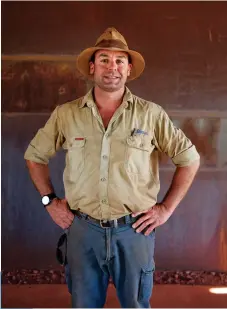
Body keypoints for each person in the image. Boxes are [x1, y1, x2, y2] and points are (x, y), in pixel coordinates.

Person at [24, 27, 200, 308]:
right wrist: (49, 202)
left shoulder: (150, 114)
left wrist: (165, 209)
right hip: (82, 231)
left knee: (136, 305)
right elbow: (34, 156)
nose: (112, 67)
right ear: (92, 67)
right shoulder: (66, 114)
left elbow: (189, 159)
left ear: (129, 69)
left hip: (134, 232)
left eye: (119, 61)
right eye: (104, 59)